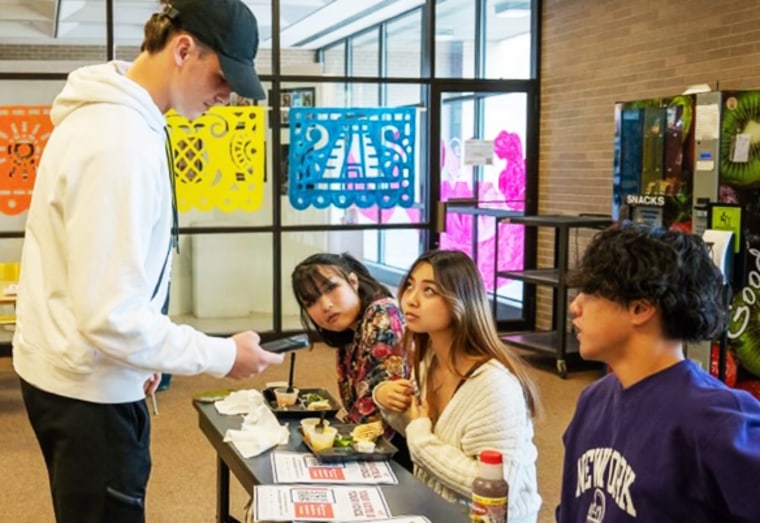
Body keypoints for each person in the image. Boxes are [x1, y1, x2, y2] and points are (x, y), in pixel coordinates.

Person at [11, 1, 284, 522]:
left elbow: (102, 284)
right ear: (183, 48)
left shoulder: (114, 119)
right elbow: (111, 317)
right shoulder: (120, 141)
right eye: (223, 77)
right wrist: (222, 355)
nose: (226, 98)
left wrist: (146, 353)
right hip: (90, 395)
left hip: (76, 373)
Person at [557, 223, 760, 522]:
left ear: (640, 308)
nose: (575, 306)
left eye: (590, 292)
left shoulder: (719, 417)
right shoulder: (592, 400)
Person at [374, 249, 541, 523]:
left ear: (460, 302)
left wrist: (418, 436)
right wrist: (387, 401)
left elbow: (496, 486)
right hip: (433, 507)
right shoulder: (430, 360)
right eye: (410, 286)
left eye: (429, 291)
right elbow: (428, 429)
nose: (411, 300)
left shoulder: (493, 385)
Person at [291, 252, 410, 467]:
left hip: (402, 455)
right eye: (312, 301)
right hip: (379, 447)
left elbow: (375, 421)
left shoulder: (383, 314)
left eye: (330, 288)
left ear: (353, 282)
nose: (325, 304)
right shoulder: (351, 331)